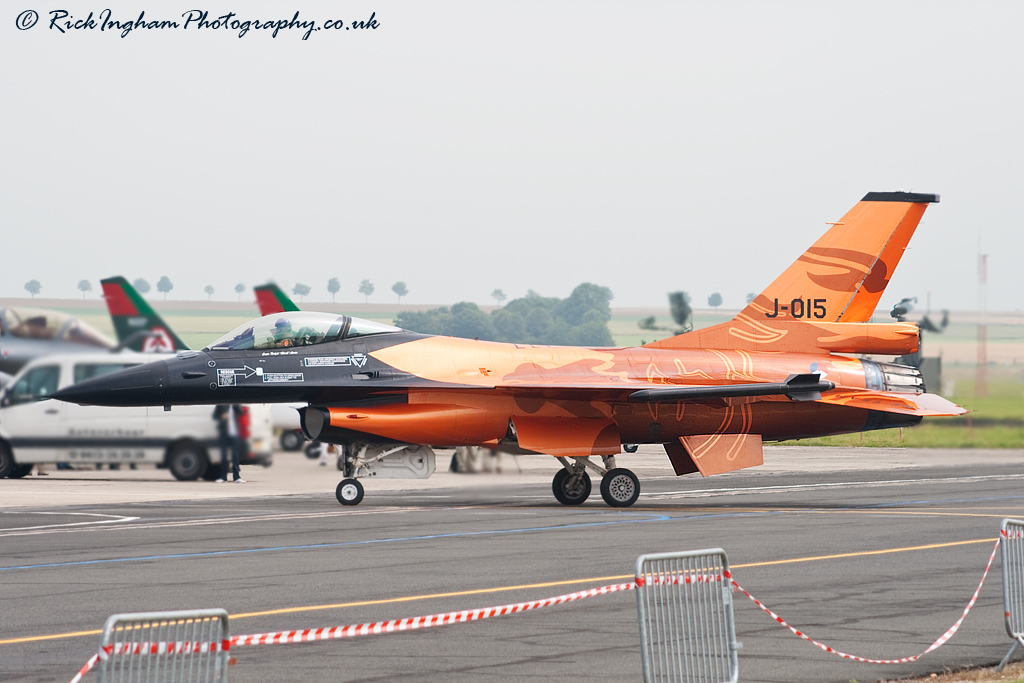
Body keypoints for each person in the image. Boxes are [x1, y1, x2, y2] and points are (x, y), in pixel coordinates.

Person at [214, 404, 245, 483]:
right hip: (224, 434)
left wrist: (237, 406)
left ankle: (237, 477)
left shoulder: (235, 405)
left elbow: (241, 412)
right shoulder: (220, 405)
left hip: (235, 434)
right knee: (224, 456)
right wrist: (221, 416)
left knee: (235, 456)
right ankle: (223, 477)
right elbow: (214, 416)